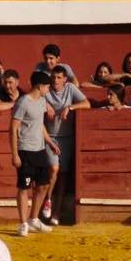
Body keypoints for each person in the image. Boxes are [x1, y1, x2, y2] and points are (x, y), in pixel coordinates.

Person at [9, 71, 59, 237]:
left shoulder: (42, 101)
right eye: (47, 86)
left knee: (44, 185)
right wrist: (15, 154)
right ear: (39, 86)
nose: (48, 89)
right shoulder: (23, 102)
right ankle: (23, 223)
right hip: (25, 151)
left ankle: (33, 219)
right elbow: (13, 128)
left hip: (40, 150)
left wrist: (50, 142)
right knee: (24, 187)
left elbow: (39, 125)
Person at [42, 66, 90, 226]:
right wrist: (45, 105)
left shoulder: (70, 88)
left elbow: (87, 103)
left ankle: (56, 213)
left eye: (59, 77)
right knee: (54, 169)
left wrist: (70, 107)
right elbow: (35, 98)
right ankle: (48, 200)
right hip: (50, 137)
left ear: (65, 79)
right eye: (53, 77)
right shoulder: (46, 89)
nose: (55, 80)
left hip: (67, 138)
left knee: (62, 175)